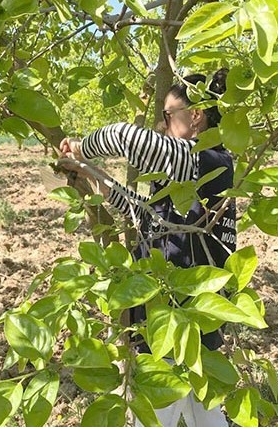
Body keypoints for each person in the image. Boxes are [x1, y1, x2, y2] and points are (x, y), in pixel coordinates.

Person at [58, 69, 236, 427]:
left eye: (169, 115)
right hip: (170, 312)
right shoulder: (181, 176)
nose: (163, 123)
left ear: (196, 115)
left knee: (159, 414)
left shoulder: (208, 162)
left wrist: (83, 146)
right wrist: (94, 175)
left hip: (183, 316)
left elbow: (125, 136)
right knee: (204, 412)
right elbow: (146, 218)